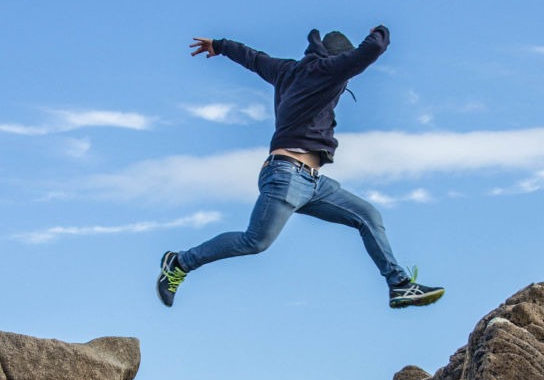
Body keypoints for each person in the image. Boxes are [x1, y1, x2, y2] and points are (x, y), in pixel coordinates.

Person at [156, 25, 445, 310]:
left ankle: (399, 284)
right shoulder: (328, 70)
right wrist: (380, 30)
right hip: (287, 175)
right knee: (255, 241)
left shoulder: (287, 70)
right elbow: (374, 48)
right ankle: (180, 262)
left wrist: (219, 45)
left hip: (312, 182)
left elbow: (253, 58)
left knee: (367, 215)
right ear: (337, 60)